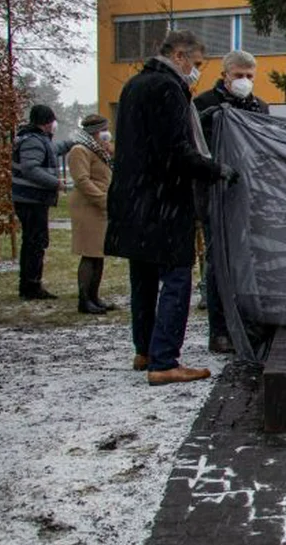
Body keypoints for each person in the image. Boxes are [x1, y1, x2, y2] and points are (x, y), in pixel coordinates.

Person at [105, 30, 238, 386]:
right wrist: (217, 171)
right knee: (177, 277)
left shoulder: (136, 85)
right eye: (195, 64)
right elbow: (176, 151)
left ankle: (145, 350)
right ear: (178, 56)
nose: (196, 71)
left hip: (134, 199)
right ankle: (165, 360)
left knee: (144, 278)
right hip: (161, 200)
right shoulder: (168, 88)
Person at [194, 49, 269, 354]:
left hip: (248, 194)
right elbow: (195, 149)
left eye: (249, 76)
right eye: (238, 76)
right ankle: (220, 329)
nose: (244, 81)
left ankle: (249, 323)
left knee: (249, 261)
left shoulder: (259, 107)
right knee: (218, 264)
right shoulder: (204, 105)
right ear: (225, 74)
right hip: (215, 194)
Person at [11, 104, 71, 300]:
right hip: (31, 199)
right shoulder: (33, 141)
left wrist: (72, 143)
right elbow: (30, 169)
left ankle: (30, 284)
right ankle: (31, 286)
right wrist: (56, 183)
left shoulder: (36, 139)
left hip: (32, 198)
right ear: (46, 123)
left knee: (34, 241)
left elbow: (53, 150)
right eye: (52, 121)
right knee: (35, 242)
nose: (54, 125)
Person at [68, 114, 115, 314]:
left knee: (98, 253)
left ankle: (94, 296)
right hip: (88, 207)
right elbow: (82, 180)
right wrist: (102, 200)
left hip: (100, 207)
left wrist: (108, 148)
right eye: (103, 130)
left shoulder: (98, 150)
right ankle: (84, 299)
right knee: (89, 253)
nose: (107, 134)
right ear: (95, 131)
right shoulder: (80, 150)